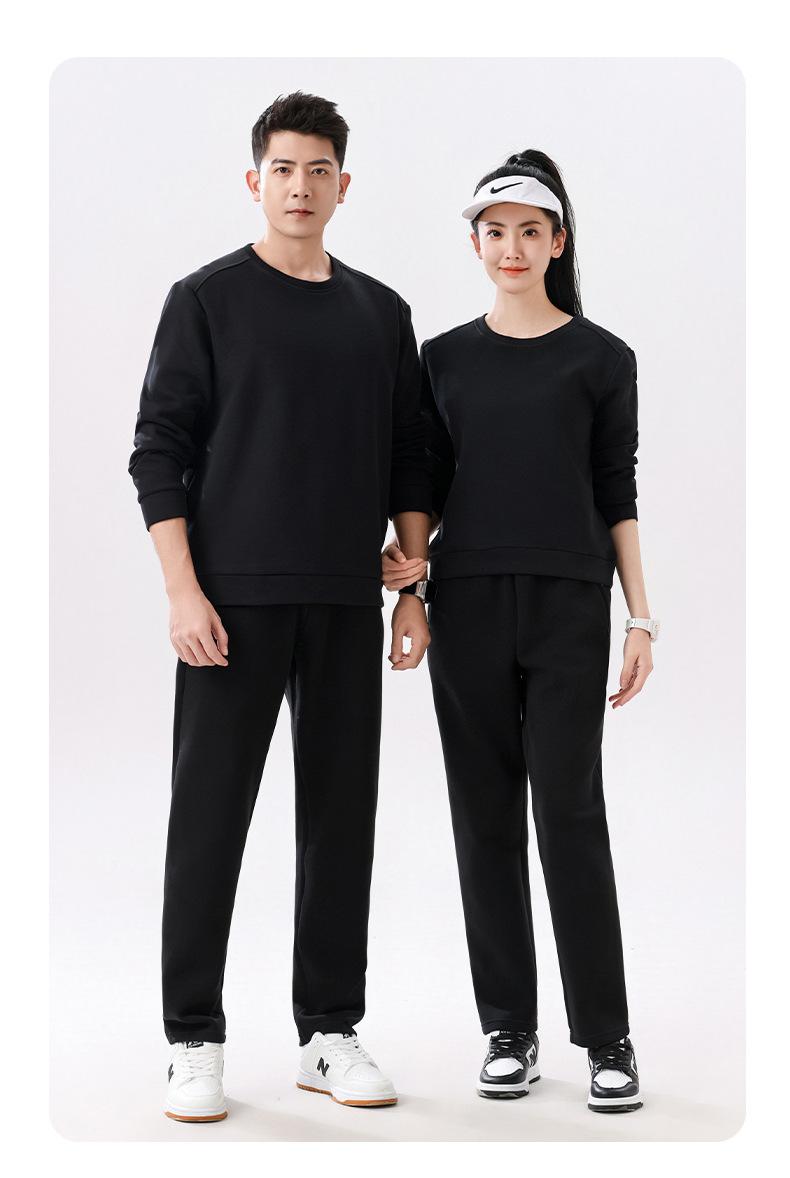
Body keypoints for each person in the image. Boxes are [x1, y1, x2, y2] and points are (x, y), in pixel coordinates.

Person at [128, 90, 433, 1122]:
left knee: (340, 822)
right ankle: (192, 1039)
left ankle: (328, 1032)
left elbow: (411, 454)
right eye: (284, 168)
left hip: (345, 601)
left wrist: (411, 580)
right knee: (208, 821)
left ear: (345, 186)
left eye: (319, 170)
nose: (301, 186)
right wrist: (183, 590)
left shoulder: (381, 314)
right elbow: (158, 451)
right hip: (231, 606)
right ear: (254, 179)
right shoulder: (206, 300)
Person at [383, 149, 658, 1114]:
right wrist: (411, 588)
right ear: (475, 243)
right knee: (485, 819)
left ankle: (608, 1038)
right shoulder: (442, 359)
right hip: (466, 607)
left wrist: (641, 616)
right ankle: (510, 1029)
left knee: (569, 812)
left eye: (529, 231)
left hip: (570, 607)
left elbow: (617, 491)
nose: (511, 247)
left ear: (558, 242)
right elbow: (421, 483)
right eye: (495, 232)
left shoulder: (603, 359)